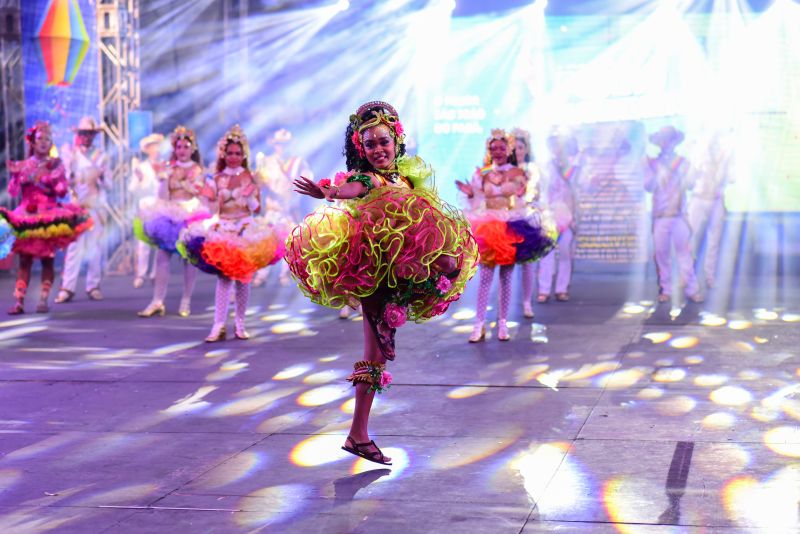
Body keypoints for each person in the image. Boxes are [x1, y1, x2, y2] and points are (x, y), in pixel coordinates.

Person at [289, 101, 478, 465]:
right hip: (375, 273)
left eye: (383, 142)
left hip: (397, 274)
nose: (378, 150)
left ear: (397, 141)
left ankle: (358, 433)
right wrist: (327, 192)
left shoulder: (404, 177)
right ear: (361, 149)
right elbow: (350, 189)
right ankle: (357, 434)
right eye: (370, 144)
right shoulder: (370, 179)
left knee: (448, 263)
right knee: (374, 357)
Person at [180, 125, 280, 341]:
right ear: (223, 154)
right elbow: (209, 207)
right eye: (230, 153)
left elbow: (256, 209)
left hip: (245, 229)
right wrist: (207, 196)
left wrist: (250, 195)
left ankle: (240, 324)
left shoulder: (250, 177)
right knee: (224, 278)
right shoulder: (216, 178)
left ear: (243, 154)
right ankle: (218, 325)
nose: (233, 157)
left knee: (243, 277)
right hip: (223, 228)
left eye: (237, 153)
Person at [456, 129, 556, 343]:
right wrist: (471, 194)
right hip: (488, 226)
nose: (497, 152)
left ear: (508, 149)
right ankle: (479, 324)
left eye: (501, 148)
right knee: (484, 278)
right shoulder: (482, 173)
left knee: (506, 278)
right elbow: (477, 202)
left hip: (510, 226)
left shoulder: (519, 173)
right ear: (489, 151)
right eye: (494, 148)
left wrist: (521, 199)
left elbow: (522, 202)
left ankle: (503, 323)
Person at [1, 121, 91, 314]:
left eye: (47, 139)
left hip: (49, 216)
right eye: (40, 139)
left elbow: (61, 192)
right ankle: (19, 301)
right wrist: (16, 176)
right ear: (32, 143)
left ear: (51, 144)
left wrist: (53, 179)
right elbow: (12, 190)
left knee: (47, 260)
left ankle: (43, 299)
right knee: (24, 260)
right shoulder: (23, 165)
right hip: (26, 216)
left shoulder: (55, 165)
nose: (43, 142)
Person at [135, 126, 209, 318]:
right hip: (170, 212)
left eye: (186, 146)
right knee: (161, 256)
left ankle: (186, 300)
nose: (182, 150)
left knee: (189, 258)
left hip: (190, 213)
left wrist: (181, 182)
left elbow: (196, 191)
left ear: (192, 149)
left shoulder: (197, 169)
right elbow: (163, 196)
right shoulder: (169, 168)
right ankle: (157, 300)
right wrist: (162, 179)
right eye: (179, 147)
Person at [643, 126, 702, 303]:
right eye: (663, 139)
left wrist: (688, 174)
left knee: (684, 253)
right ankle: (666, 289)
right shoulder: (652, 163)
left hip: (678, 216)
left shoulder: (683, 162)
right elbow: (648, 186)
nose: (666, 143)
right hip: (660, 216)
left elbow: (691, 185)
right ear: (659, 143)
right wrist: (658, 174)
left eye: (669, 139)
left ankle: (692, 289)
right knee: (661, 254)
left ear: (674, 142)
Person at [55, 117, 109, 303]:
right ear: (78, 135)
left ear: (94, 136)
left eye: (89, 134)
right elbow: (64, 182)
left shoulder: (101, 155)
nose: (86, 137)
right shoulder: (71, 154)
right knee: (74, 248)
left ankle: (93, 285)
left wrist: (99, 176)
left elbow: (109, 183)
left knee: (95, 248)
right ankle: (67, 287)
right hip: (77, 207)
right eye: (83, 134)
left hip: (95, 207)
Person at [252, 128, 312, 287]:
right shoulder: (266, 162)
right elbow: (260, 185)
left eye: (286, 144)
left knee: (290, 242)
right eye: (280, 144)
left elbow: (308, 181)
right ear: (274, 145)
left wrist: (296, 198)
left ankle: (285, 274)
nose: (282, 148)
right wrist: (258, 182)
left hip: (290, 209)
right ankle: (262, 274)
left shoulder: (298, 162)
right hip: (273, 209)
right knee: (267, 243)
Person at [537, 132, 582, 304]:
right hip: (549, 216)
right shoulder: (545, 167)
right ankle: (544, 290)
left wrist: (574, 215)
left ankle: (562, 289)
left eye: (561, 145)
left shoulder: (574, 167)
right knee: (546, 254)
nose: (558, 148)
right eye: (555, 145)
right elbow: (541, 191)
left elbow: (577, 191)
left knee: (565, 254)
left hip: (568, 216)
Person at [687, 133, 730, 289]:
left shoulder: (726, 155)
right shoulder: (699, 154)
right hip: (698, 198)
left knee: (714, 240)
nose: (714, 143)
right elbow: (690, 180)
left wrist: (723, 166)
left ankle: (709, 276)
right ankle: (688, 274)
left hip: (716, 200)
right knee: (689, 236)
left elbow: (731, 178)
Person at [513, 127, 542, 318]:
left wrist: (525, 198)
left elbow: (534, 190)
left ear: (526, 148)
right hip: (508, 217)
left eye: (520, 147)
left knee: (528, 264)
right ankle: (505, 306)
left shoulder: (531, 169)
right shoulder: (505, 168)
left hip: (527, 216)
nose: (518, 151)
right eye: (514, 148)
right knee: (505, 264)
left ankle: (526, 302)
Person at [129, 133, 165, 289]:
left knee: (159, 243)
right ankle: (141, 274)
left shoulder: (165, 166)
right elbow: (132, 189)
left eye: (158, 145)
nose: (156, 149)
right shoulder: (141, 167)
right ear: (148, 149)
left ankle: (155, 273)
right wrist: (138, 178)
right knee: (143, 243)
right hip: (145, 205)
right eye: (153, 146)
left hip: (161, 206)